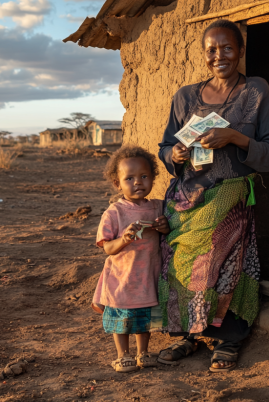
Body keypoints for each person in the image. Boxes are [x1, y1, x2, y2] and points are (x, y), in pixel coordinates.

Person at [157, 19, 269, 372]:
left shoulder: (255, 92)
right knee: (184, 266)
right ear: (204, 55)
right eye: (211, 50)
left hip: (230, 200)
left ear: (241, 51)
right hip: (187, 200)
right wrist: (175, 155)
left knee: (227, 269)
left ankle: (228, 338)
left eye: (227, 48)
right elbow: (165, 146)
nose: (219, 56)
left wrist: (235, 138)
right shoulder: (185, 96)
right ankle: (188, 335)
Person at [92, 145, 170, 373]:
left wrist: (164, 227)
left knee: (143, 316)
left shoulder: (158, 207)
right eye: (130, 178)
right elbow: (107, 247)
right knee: (121, 317)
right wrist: (125, 238)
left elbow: (167, 233)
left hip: (147, 274)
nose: (138, 182)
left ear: (153, 178)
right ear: (117, 183)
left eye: (144, 176)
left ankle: (143, 352)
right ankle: (122, 355)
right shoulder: (115, 212)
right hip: (122, 276)